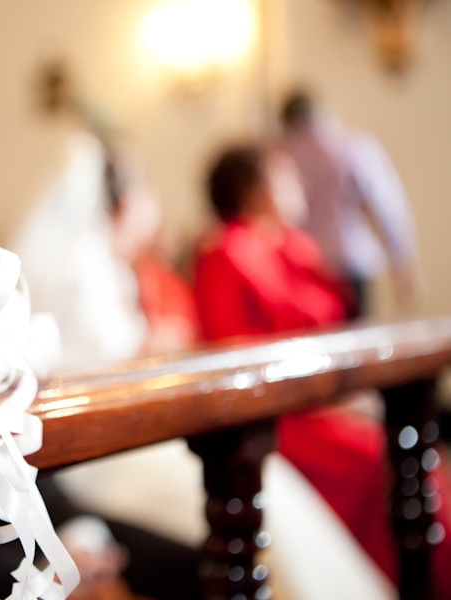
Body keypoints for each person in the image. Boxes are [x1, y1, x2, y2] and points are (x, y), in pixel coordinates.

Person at [193, 141, 451, 597]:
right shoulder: (225, 252)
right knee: (383, 460)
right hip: (281, 416)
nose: (299, 185)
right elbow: (234, 354)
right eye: (285, 176)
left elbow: (333, 321)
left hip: (321, 398)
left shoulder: (293, 245)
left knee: (413, 452)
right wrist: (334, 398)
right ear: (255, 188)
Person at [279, 89, 418, 316]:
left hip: (299, 268)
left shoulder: (279, 154)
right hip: (348, 261)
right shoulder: (353, 147)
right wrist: (402, 266)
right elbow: (385, 208)